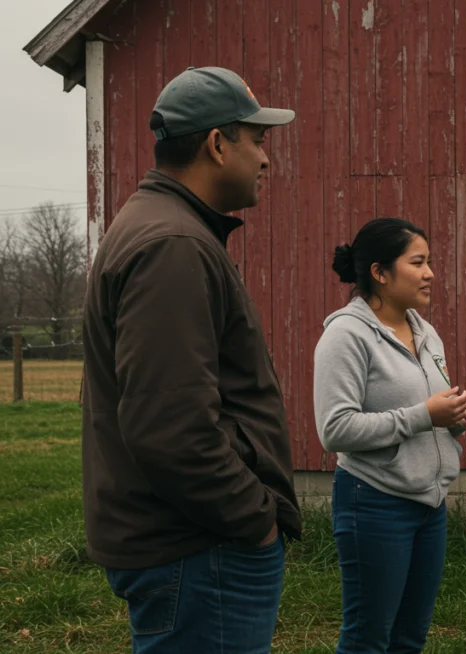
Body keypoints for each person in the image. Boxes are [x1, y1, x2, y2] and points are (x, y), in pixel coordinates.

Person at [80, 66, 300, 653]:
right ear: (217, 142)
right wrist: (255, 520)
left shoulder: (167, 230)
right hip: (201, 550)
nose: (265, 159)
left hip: (194, 545)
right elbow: (170, 427)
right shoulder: (173, 246)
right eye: (257, 140)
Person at [314, 217, 466, 653]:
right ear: (379, 272)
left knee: (410, 636)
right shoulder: (346, 335)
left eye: (429, 262)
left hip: (429, 505)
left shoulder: (425, 333)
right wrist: (425, 415)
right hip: (373, 503)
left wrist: (459, 417)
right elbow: (334, 429)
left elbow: (426, 413)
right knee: (368, 637)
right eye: (418, 262)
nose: (430, 273)